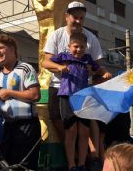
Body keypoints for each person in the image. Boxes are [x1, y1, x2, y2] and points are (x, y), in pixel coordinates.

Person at [42, 1, 110, 142]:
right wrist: (61, 68)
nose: (78, 21)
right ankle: (71, 155)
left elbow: (97, 65)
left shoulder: (91, 38)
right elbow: (46, 61)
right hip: (58, 86)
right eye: (75, 17)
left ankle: (89, 156)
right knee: (57, 120)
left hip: (82, 88)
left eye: (81, 18)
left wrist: (93, 72)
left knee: (85, 123)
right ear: (67, 16)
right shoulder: (57, 35)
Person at [43, 32, 111, 171]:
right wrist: (59, 67)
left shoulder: (87, 59)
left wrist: (104, 73)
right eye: (75, 46)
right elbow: (45, 62)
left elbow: (99, 68)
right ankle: (71, 164)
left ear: (86, 48)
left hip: (82, 97)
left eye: (82, 47)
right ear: (69, 46)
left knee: (85, 131)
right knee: (71, 130)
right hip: (67, 96)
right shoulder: (64, 56)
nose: (78, 50)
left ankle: (81, 164)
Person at [0, 34, 41, 170]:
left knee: (24, 165)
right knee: (5, 164)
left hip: (26, 125)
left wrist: (9, 92)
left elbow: (35, 94)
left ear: (13, 50)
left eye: (1, 47)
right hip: (7, 126)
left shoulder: (25, 68)